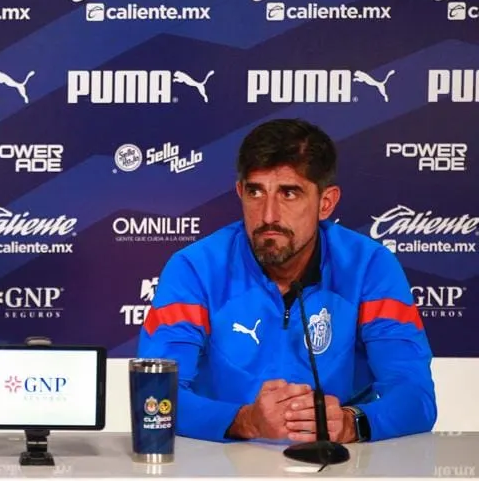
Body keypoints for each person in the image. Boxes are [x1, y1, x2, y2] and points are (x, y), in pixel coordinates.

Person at [138, 119, 436, 443]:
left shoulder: (370, 267)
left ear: (326, 203)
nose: (268, 215)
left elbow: (415, 397)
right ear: (240, 192)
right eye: (255, 192)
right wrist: (245, 421)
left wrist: (352, 423)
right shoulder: (194, 269)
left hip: (340, 466)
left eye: (289, 193)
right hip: (222, 467)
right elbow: (153, 399)